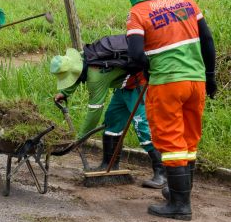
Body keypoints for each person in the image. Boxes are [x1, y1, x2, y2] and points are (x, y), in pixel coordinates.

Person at [123, 0, 216, 221]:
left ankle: (180, 205)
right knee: (189, 138)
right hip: (196, 81)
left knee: (171, 141)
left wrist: (146, 68)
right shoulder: (186, 1)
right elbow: (208, 40)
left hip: (167, 84)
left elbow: (135, 55)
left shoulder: (138, 12)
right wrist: (211, 76)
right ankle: (180, 192)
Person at [50, 37, 166, 189]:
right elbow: (78, 74)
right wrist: (65, 93)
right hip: (124, 86)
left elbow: (94, 113)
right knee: (112, 121)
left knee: (142, 127)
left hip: (139, 84)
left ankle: (162, 172)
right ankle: (109, 164)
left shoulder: (95, 77)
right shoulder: (82, 56)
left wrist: (80, 138)